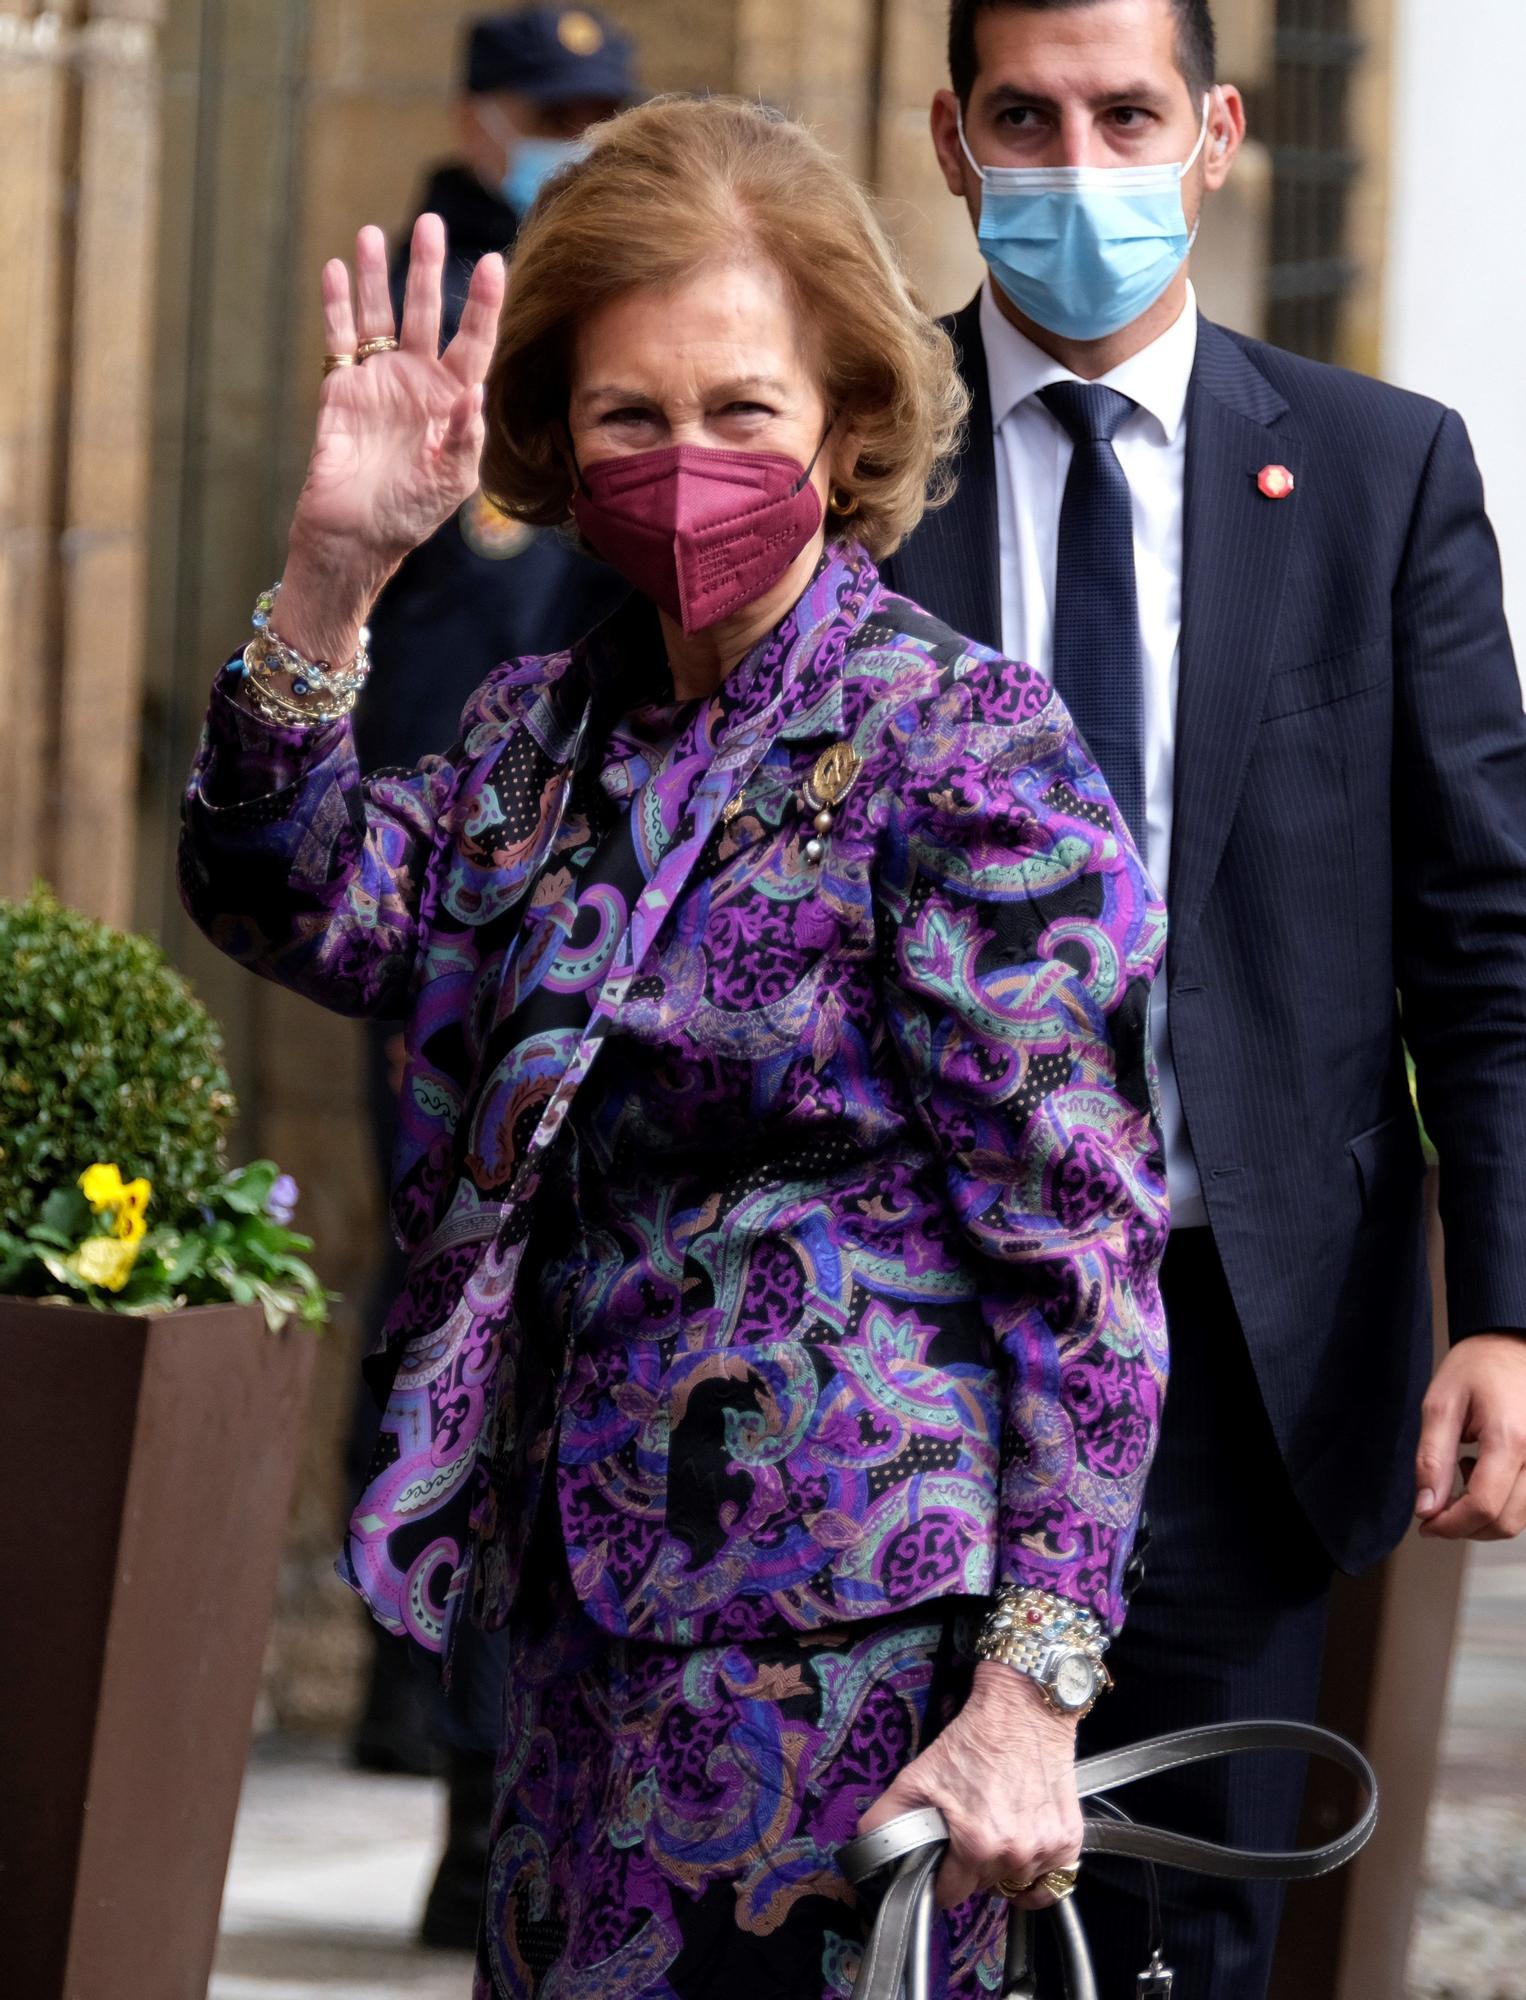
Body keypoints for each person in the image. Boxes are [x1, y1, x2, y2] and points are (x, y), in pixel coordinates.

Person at [180, 95, 1169, 1999]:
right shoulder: (539, 735)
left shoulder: (958, 747)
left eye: (741, 409)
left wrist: (1033, 1689)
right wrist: (331, 577)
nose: (686, 462)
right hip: (571, 1652)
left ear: (849, 425)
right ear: (556, 437)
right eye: (631, 417)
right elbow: (294, 901)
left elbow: (1084, 1255)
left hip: (862, 1673)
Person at [878, 1, 1526, 1993]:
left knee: (1186, 1939)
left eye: (1126, 113)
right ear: (950, 138)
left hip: (1240, 1361)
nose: (1079, 164)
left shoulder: (1370, 474)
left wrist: (1501, 1303)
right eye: (1025, 116)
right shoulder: (839, 447)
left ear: (1218, 134)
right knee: (874, 1919)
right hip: (887, 1355)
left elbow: (1483, 937)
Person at [342, 8, 634, 1946]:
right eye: (547, 112)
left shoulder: (618, 300)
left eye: (596, 116)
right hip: (463, 913)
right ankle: (446, 1765)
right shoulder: (428, 301)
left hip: (625, 918)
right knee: (453, 1323)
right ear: (477, 114)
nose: (567, 140)